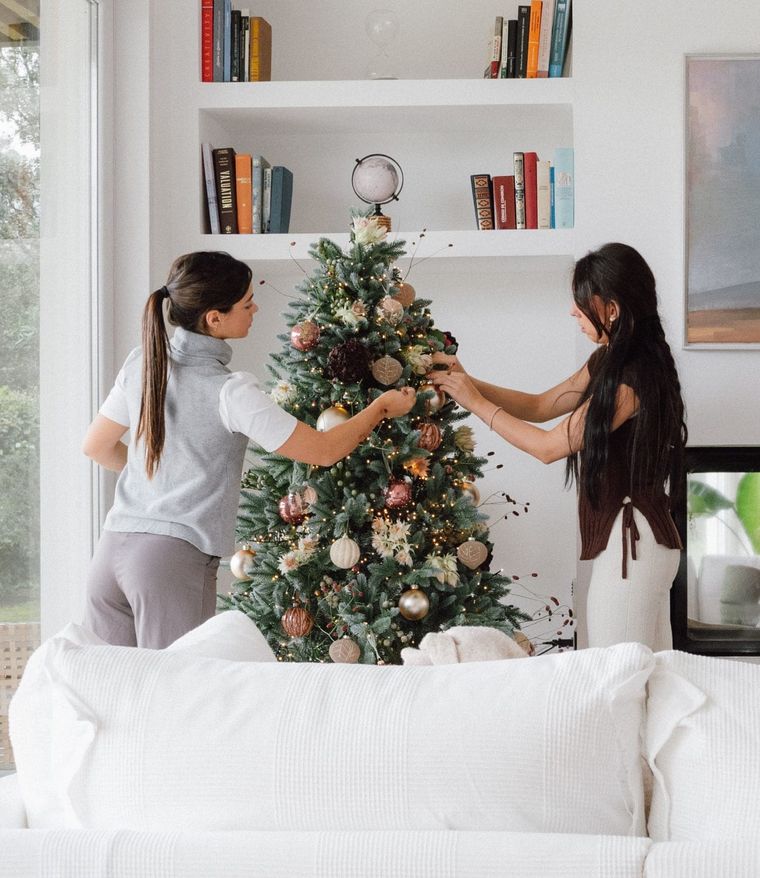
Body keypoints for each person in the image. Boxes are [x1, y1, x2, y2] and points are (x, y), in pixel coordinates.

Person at [82, 251, 416, 648]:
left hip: (110, 552)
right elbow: (324, 450)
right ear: (214, 318)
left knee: (113, 694)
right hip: (168, 563)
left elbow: (97, 447)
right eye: (246, 302)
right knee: (179, 696)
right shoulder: (230, 391)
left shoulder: (142, 363)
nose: (255, 307)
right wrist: (380, 408)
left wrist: (162, 477)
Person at [429, 243, 687, 651]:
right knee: (628, 676)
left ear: (612, 309)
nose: (572, 311)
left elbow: (550, 447)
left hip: (631, 544)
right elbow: (538, 406)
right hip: (616, 541)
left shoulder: (634, 377)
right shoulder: (607, 361)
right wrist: (467, 381)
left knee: (613, 678)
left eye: (581, 302)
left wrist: (473, 402)